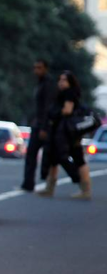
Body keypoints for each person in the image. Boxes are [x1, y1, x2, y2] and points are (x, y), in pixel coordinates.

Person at [38, 71, 93, 200]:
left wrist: (55, 114)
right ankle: (49, 188)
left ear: (70, 82)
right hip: (62, 133)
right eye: (60, 79)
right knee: (53, 159)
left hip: (68, 134)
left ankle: (85, 190)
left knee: (77, 158)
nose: (61, 82)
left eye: (64, 80)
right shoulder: (62, 94)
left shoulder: (70, 93)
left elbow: (67, 110)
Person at [23, 59, 57, 192]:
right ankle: (28, 183)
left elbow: (47, 107)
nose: (36, 70)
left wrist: (44, 127)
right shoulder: (40, 83)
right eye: (35, 67)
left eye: (39, 68)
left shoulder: (48, 84)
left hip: (43, 126)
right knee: (32, 155)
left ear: (45, 69)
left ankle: (46, 184)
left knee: (50, 156)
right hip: (38, 123)